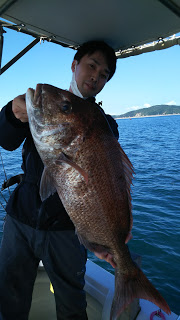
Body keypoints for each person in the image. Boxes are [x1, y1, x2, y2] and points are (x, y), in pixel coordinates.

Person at [0, 40, 119, 320]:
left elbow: (106, 182)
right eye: (92, 65)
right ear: (74, 65)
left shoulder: (105, 124)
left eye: (104, 75)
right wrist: (12, 113)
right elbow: (5, 140)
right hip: (21, 218)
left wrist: (102, 237)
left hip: (67, 229)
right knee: (9, 296)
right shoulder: (49, 106)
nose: (96, 76)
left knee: (71, 303)